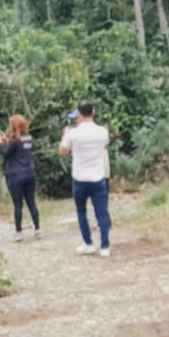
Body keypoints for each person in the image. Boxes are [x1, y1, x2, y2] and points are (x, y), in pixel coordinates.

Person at [58, 101, 112, 258]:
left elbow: (62, 152)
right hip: (98, 177)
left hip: (80, 178)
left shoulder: (73, 133)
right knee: (101, 211)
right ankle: (105, 246)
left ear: (79, 114)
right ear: (93, 112)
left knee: (81, 211)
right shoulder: (103, 131)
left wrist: (64, 134)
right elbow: (104, 146)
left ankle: (88, 243)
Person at [0, 114, 40, 241]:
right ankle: (37, 229)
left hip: (17, 175)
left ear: (14, 126)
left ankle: (19, 232)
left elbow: (6, 153)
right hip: (30, 173)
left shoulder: (15, 140)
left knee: (18, 205)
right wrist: (6, 139)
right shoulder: (28, 138)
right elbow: (16, 147)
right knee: (31, 203)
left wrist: (0, 142)